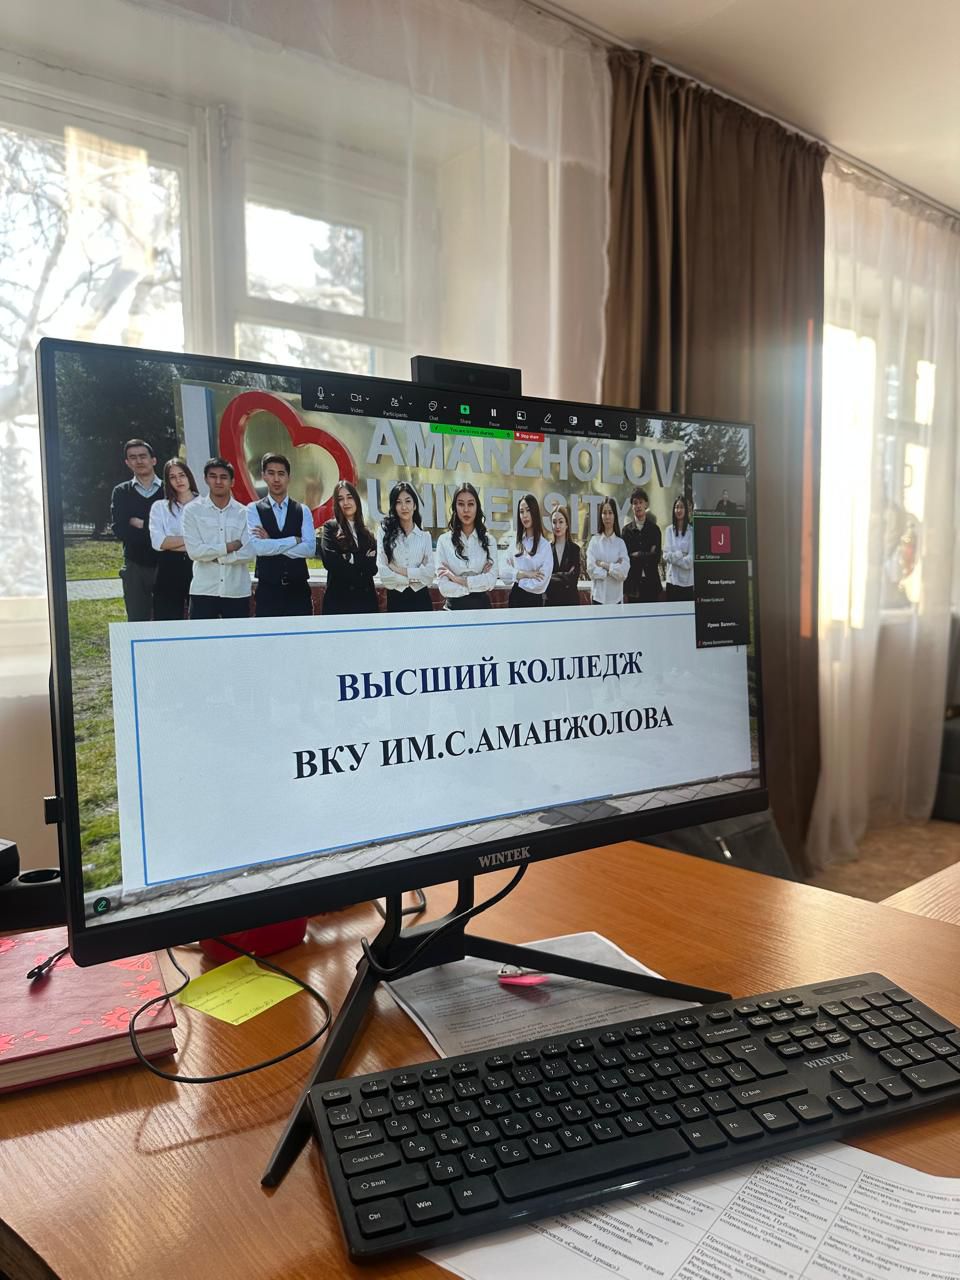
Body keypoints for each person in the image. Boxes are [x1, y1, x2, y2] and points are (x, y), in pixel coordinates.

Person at [181, 457, 254, 620]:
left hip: (237, 591)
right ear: (206, 479)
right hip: (203, 590)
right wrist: (229, 547)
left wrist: (217, 558)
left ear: (232, 481)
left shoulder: (244, 513)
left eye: (223, 477)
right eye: (213, 476)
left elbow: (249, 552)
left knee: (237, 636)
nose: (218, 481)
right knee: (202, 636)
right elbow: (194, 552)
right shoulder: (192, 511)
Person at [246, 453, 316, 617]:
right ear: (263, 476)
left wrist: (270, 542)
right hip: (268, 591)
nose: (276, 479)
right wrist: (294, 540)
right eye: (271, 473)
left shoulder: (302, 510)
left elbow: (309, 549)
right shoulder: (253, 509)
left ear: (288, 477)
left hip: (298, 591)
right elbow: (258, 548)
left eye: (281, 474)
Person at [110, 438, 163, 621]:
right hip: (135, 565)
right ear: (127, 463)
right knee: (137, 620)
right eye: (133, 457)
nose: (139, 461)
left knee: (168, 620)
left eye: (143, 456)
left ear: (153, 460)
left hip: (166, 564)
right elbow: (120, 529)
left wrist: (142, 524)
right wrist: (157, 532)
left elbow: (175, 529)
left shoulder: (169, 491)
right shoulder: (121, 492)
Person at [319, 480, 379, 615]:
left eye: (349, 497)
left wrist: (348, 557)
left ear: (357, 500)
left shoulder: (367, 534)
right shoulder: (330, 528)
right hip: (339, 602)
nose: (346, 502)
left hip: (365, 602)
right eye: (341, 499)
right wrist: (361, 560)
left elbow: (372, 569)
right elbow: (330, 562)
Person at [435, 482, 498, 610]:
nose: (466, 510)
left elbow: (491, 581)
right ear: (455, 507)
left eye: (470, 504)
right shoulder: (444, 541)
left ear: (477, 507)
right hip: (453, 611)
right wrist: (477, 582)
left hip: (482, 611)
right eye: (461, 504)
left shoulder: (489, 541)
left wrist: (455, 578)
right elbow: (444, 587)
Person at [149, 458, 198, 620]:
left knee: (200, 619)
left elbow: (209, 541)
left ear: (189, 476)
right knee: (166, 619)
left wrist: (172, 542)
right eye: (172, 477)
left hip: (198, 565)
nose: (178, 480)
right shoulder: (160, 507)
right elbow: (158, 542)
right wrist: (193, 539)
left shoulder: (205, 505)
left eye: (182, 475)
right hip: (168, 567)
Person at [376, 481, 434, 612]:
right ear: (394, 506)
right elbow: (384, 575)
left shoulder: (425, 537)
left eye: (408, 501)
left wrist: (397, 570)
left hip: (421, 600)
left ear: (415, 505)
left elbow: (430, 575)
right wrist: (416, 577)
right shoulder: (384, 533)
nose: (404, 507)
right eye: (398, 502)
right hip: (396, 599)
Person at [501, 494, 552, 608]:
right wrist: (526, 574)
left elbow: (541, 583)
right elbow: (503, 571)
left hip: (534, 601)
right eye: (521, 511)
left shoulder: (544, 546)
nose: (524, 515)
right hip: (515, 599)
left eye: (528, 510)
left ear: (535, 512)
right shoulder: (516, 542)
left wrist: (517, 579)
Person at [622, 487, 662, 603]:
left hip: (651, 584)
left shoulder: (654, 530)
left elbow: (656, 557)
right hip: (633, 587)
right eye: (635, 503)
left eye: (640, 502)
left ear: (646, 504)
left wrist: (638, 554)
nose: (638, 506)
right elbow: (626, 559)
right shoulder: (626, 531)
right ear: (632, 506)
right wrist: (648, 553)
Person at [586, 497, 629, 605]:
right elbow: (591, 570)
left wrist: (603, 564)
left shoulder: (620, 543)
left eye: (610, 512)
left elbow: (623, 573)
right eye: (604, 513)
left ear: (615, 515)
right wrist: (613, 569)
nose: (607, 516)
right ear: (600, 516)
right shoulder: (594, 541)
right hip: (598, 598)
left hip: (616, 599)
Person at [545, 503, 582, 607]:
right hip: (551, 604)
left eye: (561, 522)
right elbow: (544, 578)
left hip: (570, 603)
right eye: (554, 522)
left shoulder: (575, 549)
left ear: (567, 524)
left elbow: (573, 579)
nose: (557, 526)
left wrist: (552, 577)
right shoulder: (546, 549)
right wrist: (565, 576)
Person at [663, 494, 695, 601]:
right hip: (672, 582)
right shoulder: (669, 530)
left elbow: (690, 561)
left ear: (686, 510)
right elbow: (665, 555)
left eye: (681, 507)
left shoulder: (691, 532)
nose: (679, 510)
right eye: (676, 507)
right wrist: (681, 554)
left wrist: (674, 557)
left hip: (687, 583)